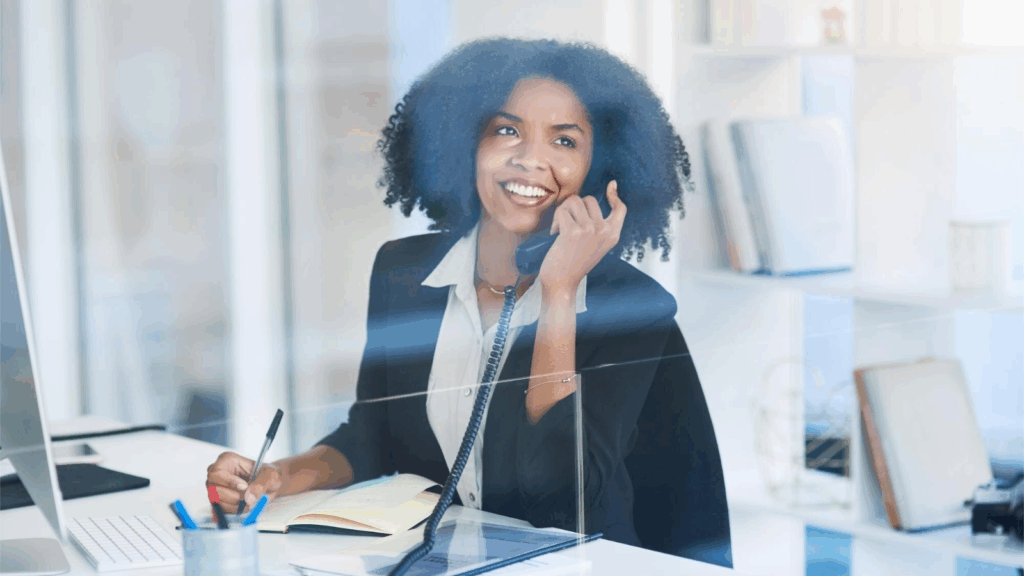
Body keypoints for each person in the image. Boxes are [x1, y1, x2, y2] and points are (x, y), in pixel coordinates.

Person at [206, 38, 731, 567]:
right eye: (507, 131)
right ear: (466, 144)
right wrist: (278, 477)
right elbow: (373, 432)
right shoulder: (403, 273)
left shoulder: (631, 306)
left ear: (604, 168)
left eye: (565, 141)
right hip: (445, 559)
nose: (529, 159)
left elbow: (565, 501)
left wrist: (559, 294)